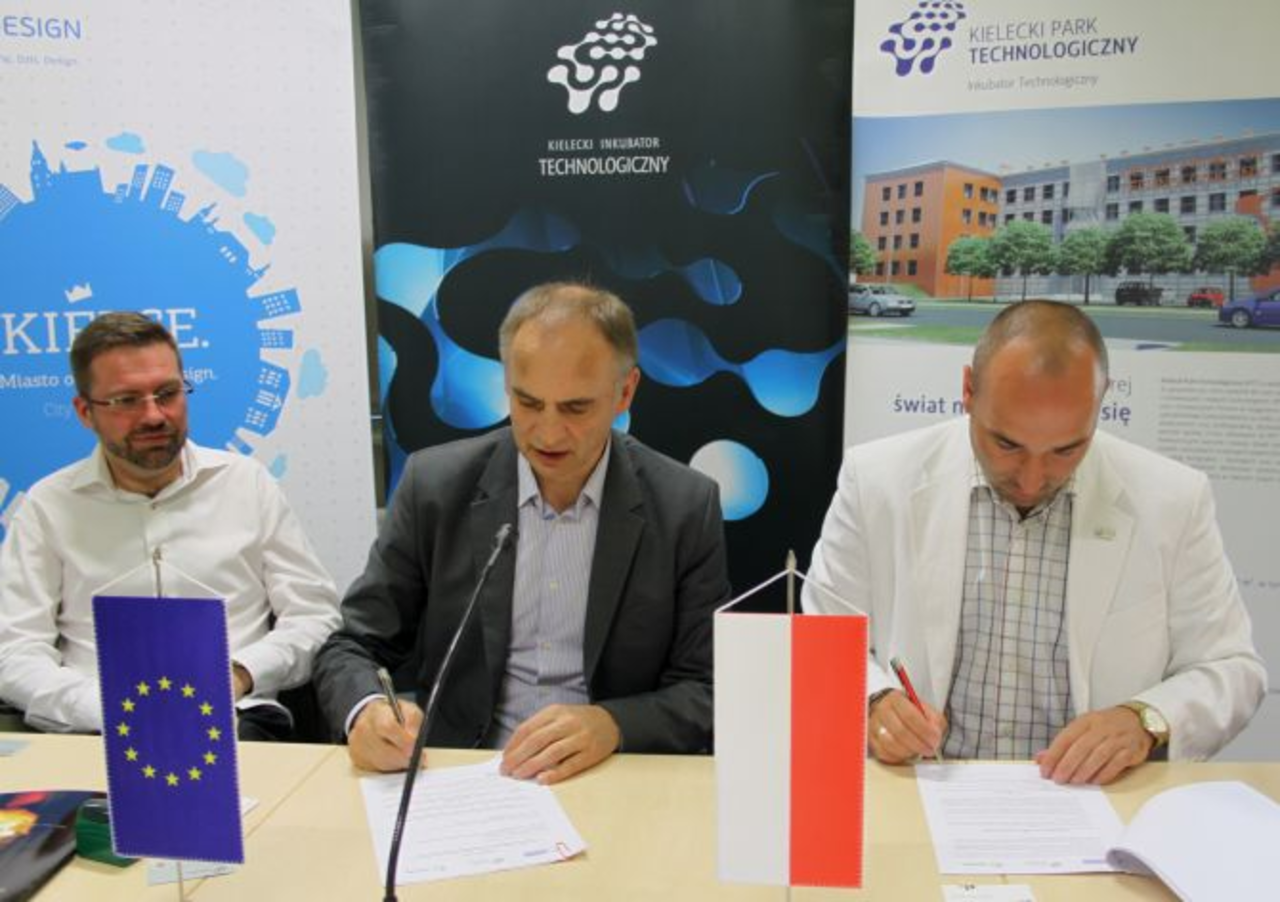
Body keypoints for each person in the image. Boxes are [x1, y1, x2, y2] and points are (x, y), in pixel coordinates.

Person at [803, 300, 1265, 785]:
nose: (1031, 478)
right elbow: (820, 638)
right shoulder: (877, 480)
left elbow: (1231, 668)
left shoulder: (1172, 500)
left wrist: (1145, 720)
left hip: (1092, 801)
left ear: (1100, 404)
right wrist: (874, 700)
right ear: (968, 390)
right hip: (922, 790)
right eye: (1007, 444)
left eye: (1066, 449)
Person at [314, 281, 730, 783]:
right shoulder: (436, 487)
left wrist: (615, 724)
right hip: (461, 773)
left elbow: (707, 687)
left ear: (625, 392)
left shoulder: (684, 506)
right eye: (529, 403)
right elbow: (353, 645)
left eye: (575, 408)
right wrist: (366, 711)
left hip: (609, 776)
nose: (548, 433)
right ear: (507, 386)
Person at [0, 312, 341, 740]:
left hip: (235, 721)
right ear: (85, 411)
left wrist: (239, 673)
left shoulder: (246, 484)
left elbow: (315, 616)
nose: (154, 415)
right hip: (95, 729)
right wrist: (106, 707)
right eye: (126, 400)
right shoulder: (48, 506)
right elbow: (15, 651)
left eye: (167, 393)